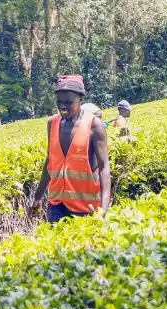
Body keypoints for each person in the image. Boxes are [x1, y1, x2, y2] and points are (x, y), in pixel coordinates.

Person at [29, 74, 112, 223]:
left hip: (85, 208)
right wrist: (38, 196)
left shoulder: (95, 125)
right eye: (59, 102)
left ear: (80, 100)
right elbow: (50, 162)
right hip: (56, 205)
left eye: (68, 102)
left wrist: (104, 210)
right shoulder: (52, 123)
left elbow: (104, 167)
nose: (63, 107)